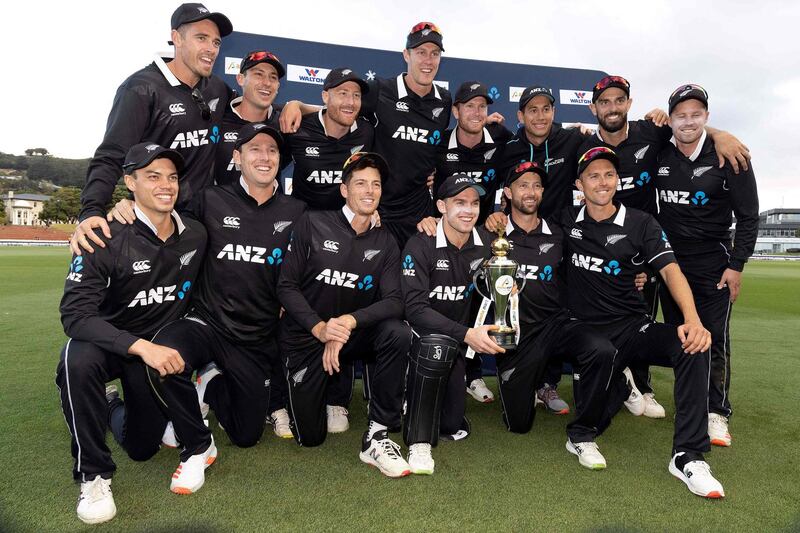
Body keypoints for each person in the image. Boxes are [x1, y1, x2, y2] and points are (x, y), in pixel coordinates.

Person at [143, 123, 306, 494]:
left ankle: (212, 384)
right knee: (162, 355)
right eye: (254, 149)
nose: (264, 157)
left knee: (247, 436)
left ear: (280, 161)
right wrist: (123, 204)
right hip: (206, 323)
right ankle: (197, 446)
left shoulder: (297, 211)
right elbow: (159, 212)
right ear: (237, 158)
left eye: (272, 151)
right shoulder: (209, 199)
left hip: (255, 338)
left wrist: (372, 218)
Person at [555, 146, 723, 498]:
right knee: (597, 402)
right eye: (593, 175)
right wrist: (497, 219)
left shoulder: (641, 222)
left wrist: (692, 320)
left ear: (617, 180)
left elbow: (670, 270)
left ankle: (687, 455)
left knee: (691, 346)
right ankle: (582, 433)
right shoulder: (565, 218)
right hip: (582, 328)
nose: (602, 182)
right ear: (579, 183)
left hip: (632, 327)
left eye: (608, 174)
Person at [580, 75, 752, 418]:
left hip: (647, 252)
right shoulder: (581, 143)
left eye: (619, 101)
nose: (612, 108)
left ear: (629, 104)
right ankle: (626, 383)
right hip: (601, 246)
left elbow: (689, 127)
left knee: (646, 322)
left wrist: (722, 135)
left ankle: (660, 393)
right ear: (593, 108)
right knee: (615, 319)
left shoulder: (651, 133)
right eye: (604, 102)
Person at [55, 144, 207, 523]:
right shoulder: (103, 236)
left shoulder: (196, 235)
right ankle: (93, 474)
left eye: (171, 177)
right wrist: (139, 347)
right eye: (152, 176)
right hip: (113, 345)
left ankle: (111, 405)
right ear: (129, 182)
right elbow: (74, 315)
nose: (165, 185)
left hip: (154, 355)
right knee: (77, 356)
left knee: (142, 448)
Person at [276, 152, 413, 478]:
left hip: (351, 335)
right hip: (308, 336)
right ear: (343, 189)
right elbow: (286, 287)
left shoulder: (386, 240)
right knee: (310, 438)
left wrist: (348, 321)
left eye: (376, 184)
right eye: (361, 183)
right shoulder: (312, 222)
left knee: (397, 331)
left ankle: (378, 434)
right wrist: (320, 328)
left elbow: (395, 301)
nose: (369, 190)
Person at [72, 3, 232, 256]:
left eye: (216, 42)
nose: (210, 49)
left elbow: (250, 113)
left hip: (199, 226)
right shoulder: (141, 88)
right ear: (176, 38)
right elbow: (112, 154)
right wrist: (92, 210)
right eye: (201, 38)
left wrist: (297, 106)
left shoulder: (217, 89)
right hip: (150, 225)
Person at [281, 22, 455, 247]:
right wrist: (299, 105)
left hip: (419, 214)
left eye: (434, 54)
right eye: (421, 52)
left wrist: (482, 122)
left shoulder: (445, 99)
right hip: (378, 211)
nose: (428, 60)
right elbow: (343, 110)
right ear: (406, 55)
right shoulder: (380, 90)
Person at [490, 161, 616, 468]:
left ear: (543, 191)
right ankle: (527, 383)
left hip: (556, 325)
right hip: (517, 334)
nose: (530, 192)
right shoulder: (493, 233)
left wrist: (637, 273)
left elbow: (597, 256)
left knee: (602, 349)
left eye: (536, 185)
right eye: (522, 185)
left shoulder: (559, 233)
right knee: (519, 424)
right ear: (508, 192)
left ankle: (585, 430)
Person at [655, 84, 759, 447]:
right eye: (681, 115)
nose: (688, 122)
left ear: (707, 117)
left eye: (696, 115)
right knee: (680, 336)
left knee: (713, 339)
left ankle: (716, 413)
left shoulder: (730, 155)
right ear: (670, 120)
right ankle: (689, 407)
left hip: (715, 265)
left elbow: (748, 216)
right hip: (670, 266)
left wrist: (737, 264)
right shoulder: (659, 151)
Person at [401, 174, 501, 474]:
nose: (468, 210)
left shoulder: (488, 245)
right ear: (441, 206)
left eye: (474, 203)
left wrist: (508, 288)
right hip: (416, 338)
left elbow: (497, 291)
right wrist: (467, 335)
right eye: (459, 203)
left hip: (456, 344)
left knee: (451, 424)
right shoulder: (420, 244)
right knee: (432, 344)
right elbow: (415, 309)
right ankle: (406, 392)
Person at [431, 80, 512, 405]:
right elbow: (427, 187)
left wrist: (500, 212)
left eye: (482, 106)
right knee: (447, 301)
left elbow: (515, 180)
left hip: (481, 237)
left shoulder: (502, 140)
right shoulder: (439, 146)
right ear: (455, 111)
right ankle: (441, 367)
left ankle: (473, 373)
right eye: (469, 106)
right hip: (445, 234)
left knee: (479, 301)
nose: (477, 112)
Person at [215, 49, 286, 186]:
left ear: (278, 86)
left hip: (269, 207)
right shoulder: (218, 118)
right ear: (240, 79)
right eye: (259, 74)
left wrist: (298, 105)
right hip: (220, 206)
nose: (266, 83)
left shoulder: (284, 124)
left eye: (273, 77)